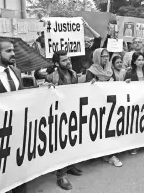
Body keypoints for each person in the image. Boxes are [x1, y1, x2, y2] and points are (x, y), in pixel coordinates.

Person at [0, 38, 26, 193]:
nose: (13, 53)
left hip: (17, 127)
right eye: (8, 51)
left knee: (18, 163)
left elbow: (22, 94)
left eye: (13, 50)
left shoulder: (16, 71)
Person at [45, 50, 83, 190]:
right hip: (58, 116)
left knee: (72, 141)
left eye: (68, 59)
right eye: (64, 60)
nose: (68, 62)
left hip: (72, 112)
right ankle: (61, 176)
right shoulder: (52, 77)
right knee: (60, 144)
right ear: (56, 63)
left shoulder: (73, 73)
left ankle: (70, 166)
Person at [124, 52, 144, 155]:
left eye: (142, 60)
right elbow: (125, 88)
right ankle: (134, 145)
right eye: (139, 60)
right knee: (135, 123)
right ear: (134, 62)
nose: (141, 62)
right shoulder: (129, 73)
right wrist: (126, 83)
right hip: (135, 101)